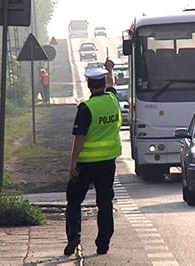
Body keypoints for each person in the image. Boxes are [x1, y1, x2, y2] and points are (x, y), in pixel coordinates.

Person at [64, 58, 122, 256]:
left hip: (86, 164)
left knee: (73, 200)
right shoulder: (113, 100)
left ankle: (74, 237)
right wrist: (109, 69)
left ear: (89, 85)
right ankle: (103, 243)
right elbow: (112, 86)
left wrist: (73, 162)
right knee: (105, 202)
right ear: (103, 83)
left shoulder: (86, 108)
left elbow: (80, 138)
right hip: (107, 163)